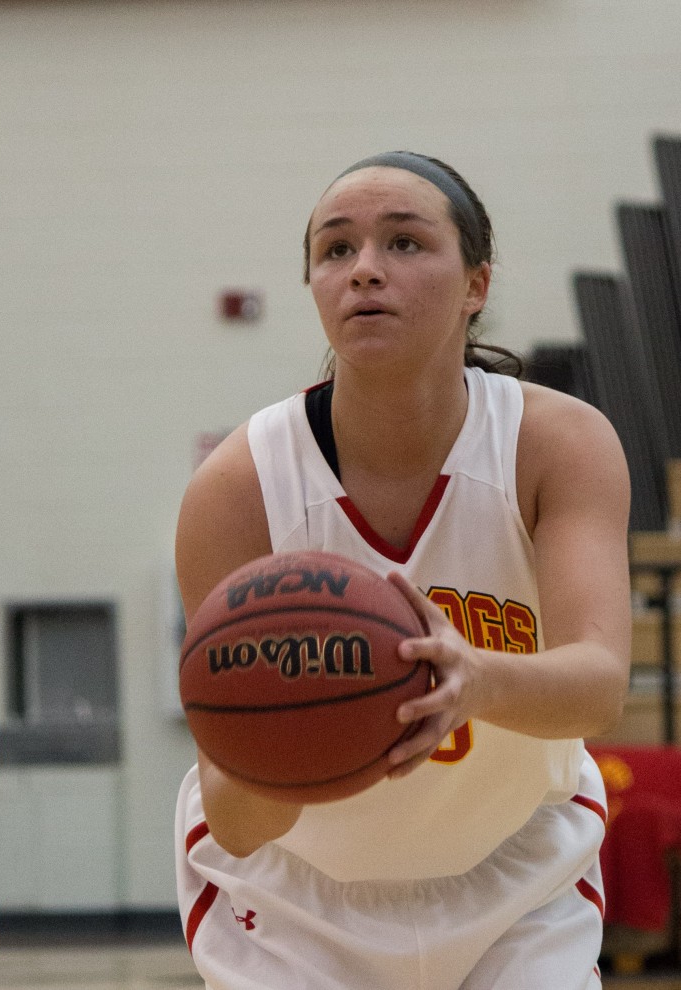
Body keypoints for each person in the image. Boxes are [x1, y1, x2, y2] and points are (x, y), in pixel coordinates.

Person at [174, 152, 632, 988]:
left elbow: (599, 686)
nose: (366, 271)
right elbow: (236, 820)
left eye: (406, 243)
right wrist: (286, 743)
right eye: (336, 250)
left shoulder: (556, 444)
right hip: (298, 903)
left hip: (515, 876)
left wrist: (473, 679)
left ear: (477, 284)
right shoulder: (240, 486)